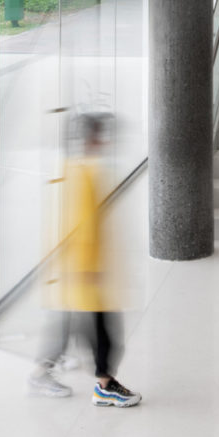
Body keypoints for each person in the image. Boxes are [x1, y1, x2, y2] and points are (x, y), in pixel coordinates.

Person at [30, 111, 142, 407]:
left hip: (78, 270)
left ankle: (68, 376)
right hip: (83, 271)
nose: (104, 140)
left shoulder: (75, 168)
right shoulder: (83, 173)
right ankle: (104, 386)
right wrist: (88, 269)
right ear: (92, 138)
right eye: (100, 135)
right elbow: (83, 224)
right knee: (100, 329)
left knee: (75, 324)